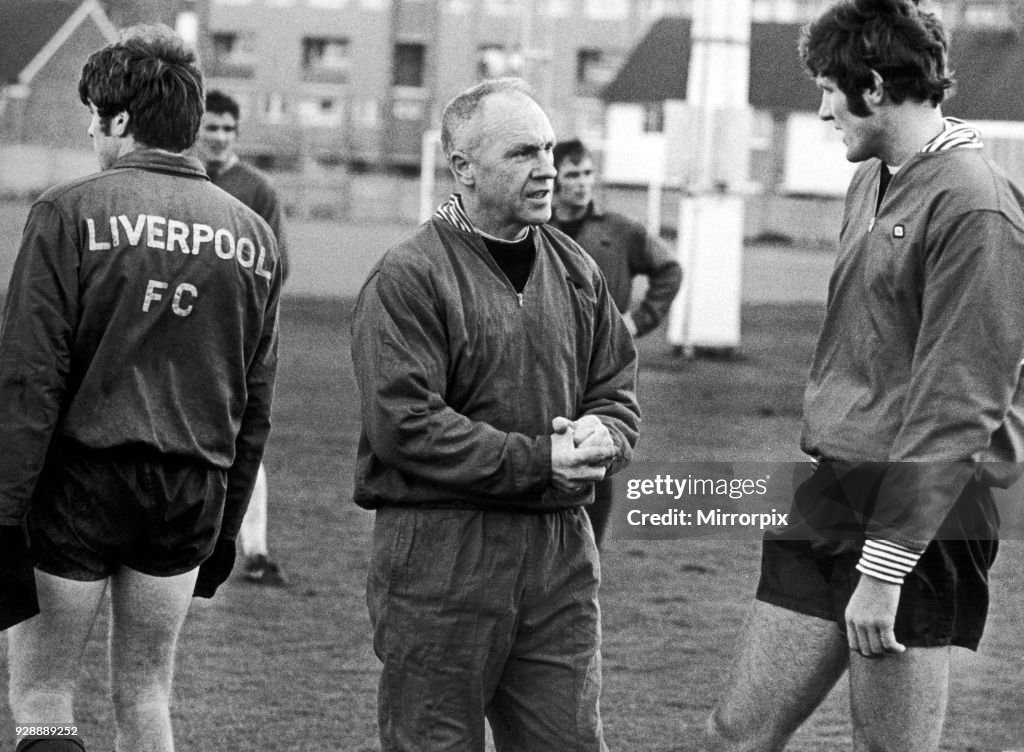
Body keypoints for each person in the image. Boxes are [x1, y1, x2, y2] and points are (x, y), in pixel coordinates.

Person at [703, 1, 1024, 750]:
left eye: (826, 89)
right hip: (834, 488)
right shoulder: (870, 179)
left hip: (924, 520)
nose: (820, 110)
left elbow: (961, 405)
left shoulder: (976, 206)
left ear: (873, 86)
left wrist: (884, 570)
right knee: (733, 736)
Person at [0, 25, 282, 752]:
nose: (92, 131)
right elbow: (255, 403)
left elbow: (28, 380)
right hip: (190, 491)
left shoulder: (67, 212)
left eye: (95, 115)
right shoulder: (253, 236)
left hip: (80, 482)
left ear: (121, 121)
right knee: (147, 697)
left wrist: (3, 516)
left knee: (41, 696)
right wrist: (226, 528)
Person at [350, 78, 641, 752]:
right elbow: (405, 423)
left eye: (547, 149)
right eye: (521, 154)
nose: (547, 169)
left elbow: (616, 387)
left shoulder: (577, 269)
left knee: (568, 743)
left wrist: (605, 434)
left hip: (559, 553)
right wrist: (540, 459)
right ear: (463, 169)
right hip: (442, 557)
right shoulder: (409, 276)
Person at [550, 138, 682, 546]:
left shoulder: (618, 230)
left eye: (587, 173)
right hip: (547, 361)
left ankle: (589, 552)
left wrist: (637, 322)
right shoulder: (535, 230)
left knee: (598, 449)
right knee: (548, 450)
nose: (582, 183)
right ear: (554, 181)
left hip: (602, 364)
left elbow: (669, 269)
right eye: (572, 174)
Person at [196, 89, 290, 587]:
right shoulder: (182, 183)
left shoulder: (257, 191)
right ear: (195, 129)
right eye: (211, 127)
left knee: (243, 441)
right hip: (184, 338)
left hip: (238, 340)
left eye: (228, 129)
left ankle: (253, 551)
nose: (218, 137)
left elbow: (277, 270)